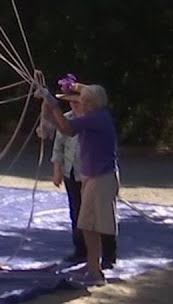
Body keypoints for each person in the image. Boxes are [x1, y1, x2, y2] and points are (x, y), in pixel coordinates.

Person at [42, 83, 119, 286]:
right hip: (91, 176)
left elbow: (66, 129)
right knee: (87, 224)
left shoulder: (95, 119)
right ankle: (92, 266)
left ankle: (97, 271)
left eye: (83, 101)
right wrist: (74, 87)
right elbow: (62, 129)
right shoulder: (97, 116)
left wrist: (53, 104)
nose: (79, 104)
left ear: (91, 104)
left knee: (95, 224)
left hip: (99, 178)